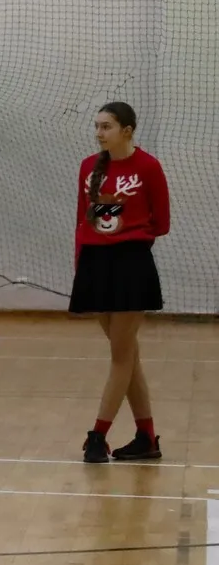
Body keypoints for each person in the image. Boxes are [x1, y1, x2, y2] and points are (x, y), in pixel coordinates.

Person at [70, 102, 170, 463]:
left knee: (120, 355)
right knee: (128, 356)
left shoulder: (148, 166)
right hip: (95, 264)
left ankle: (97, 436)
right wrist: (82, 265)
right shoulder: (88, 168)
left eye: (107, 126)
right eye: (97, 126)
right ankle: (146, 437)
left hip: (131, 264)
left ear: (127, 131)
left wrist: (127, 237)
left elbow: (162, 222)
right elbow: (84, 221)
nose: (99, 133)